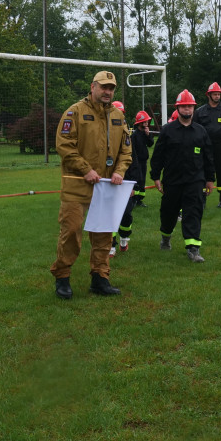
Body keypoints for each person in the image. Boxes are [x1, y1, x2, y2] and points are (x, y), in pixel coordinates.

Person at [51, 71, 133, 299]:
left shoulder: (118, 115)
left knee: (104, 235)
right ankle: (62, 277)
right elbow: (64, 145)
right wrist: (85, 169)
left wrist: (119, 171)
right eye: (103, 87)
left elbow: (126, 149)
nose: (107, 92)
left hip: (107, 186)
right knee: (71, 232)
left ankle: (100, 278)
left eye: (111, 88)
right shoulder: (75, 112)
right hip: (77, 184)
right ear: (93, 87)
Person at [150, 89, 215, 263]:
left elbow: (208, 157)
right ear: (178, 108)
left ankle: (193, 250)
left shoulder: (201, 131)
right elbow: (158, 156)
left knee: (193, 213)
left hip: (195, 181)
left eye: (190, 107)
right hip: (172, 181)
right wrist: (156, 176)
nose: (187, 109)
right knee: (168, 213)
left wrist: (210, 180)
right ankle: (165, 238)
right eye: (184, 106)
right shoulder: (167, 131)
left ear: (193, 109)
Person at [112, 110, 154, 255]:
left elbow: (133, 163)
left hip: (127, 181)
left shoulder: (127, 142)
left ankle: (124, 238)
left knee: (126, 215)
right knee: (110, 215)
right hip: (110, 183)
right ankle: (111, 245)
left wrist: (132, 186)